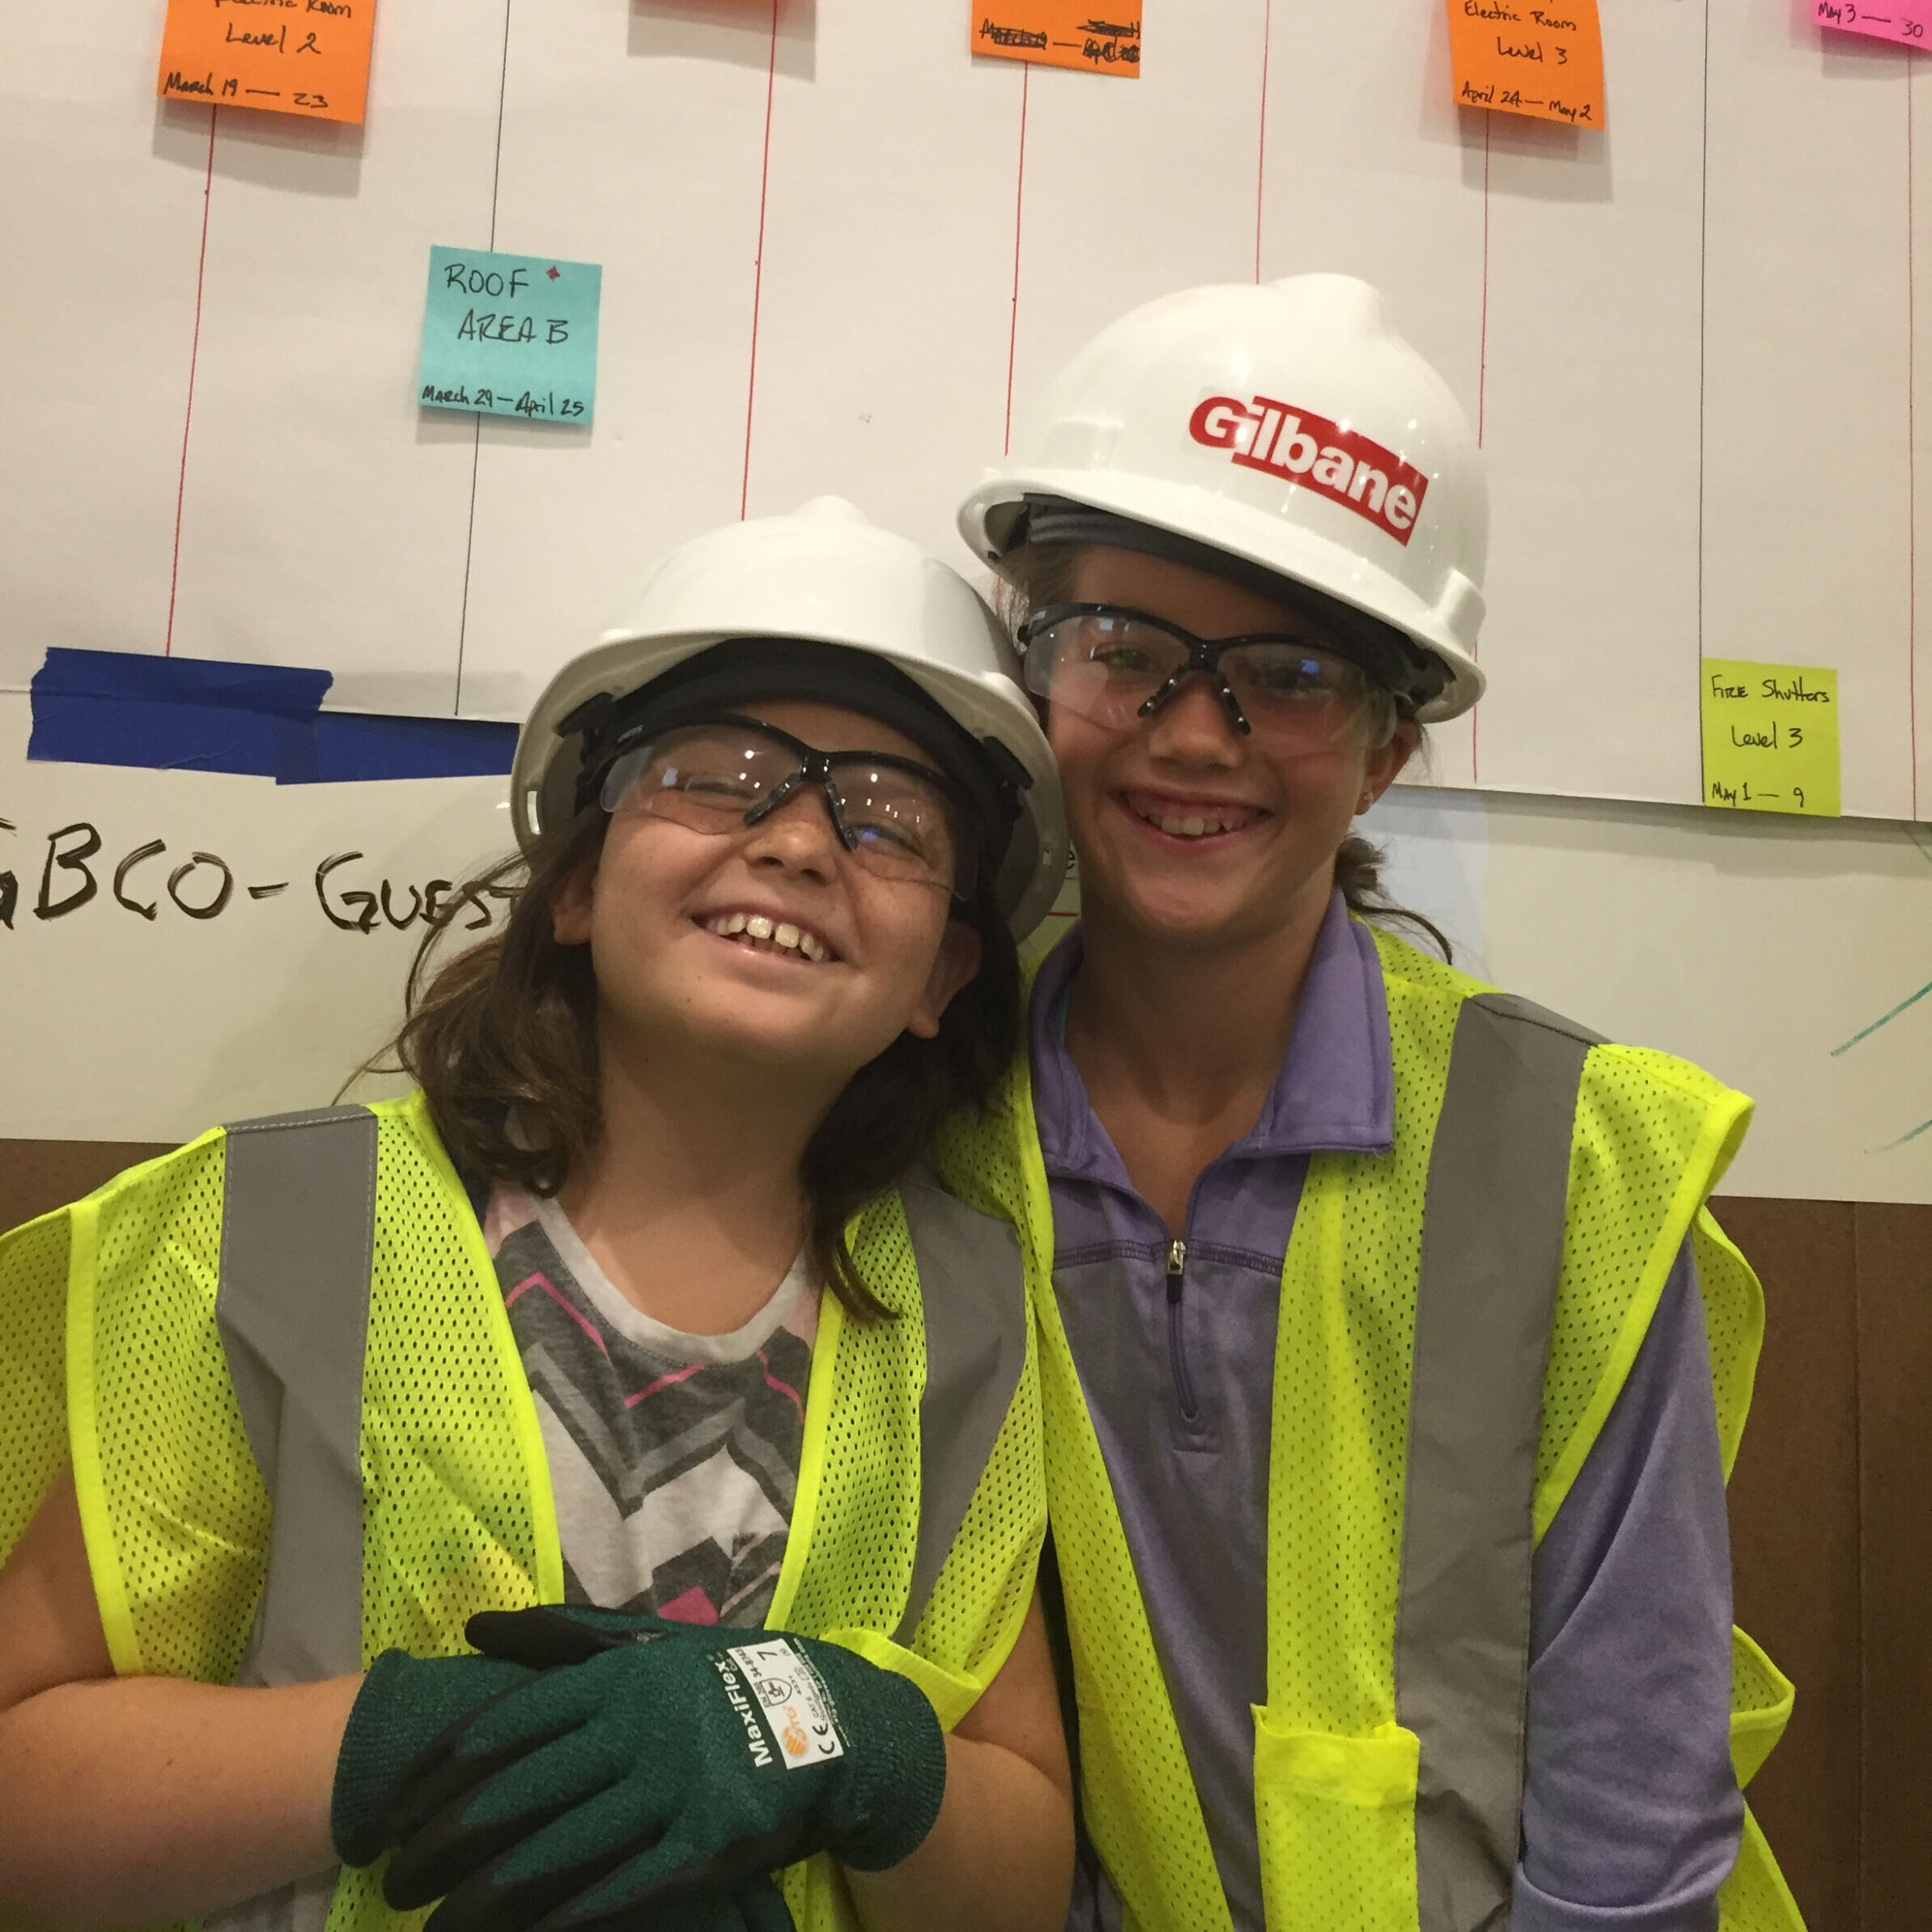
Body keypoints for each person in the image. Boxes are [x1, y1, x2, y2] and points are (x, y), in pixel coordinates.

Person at [0, 497, 1076, 1932]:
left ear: (942, 977)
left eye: (889, 819)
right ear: (575, 884)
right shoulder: (275, 1233)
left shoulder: (970, 1313)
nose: (803, 842)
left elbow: (1015, 1882)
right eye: (724, 772)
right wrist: (428, 1738)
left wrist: (837, 1735)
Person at [936, 276, 1805, 1932]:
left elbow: (1634, 1807)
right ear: (1036, 678)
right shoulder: (919, 1123)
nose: (1199, 734)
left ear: (1391, 748)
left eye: (1291, 673)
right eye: (1127, 654)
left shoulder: (1575, 1155)